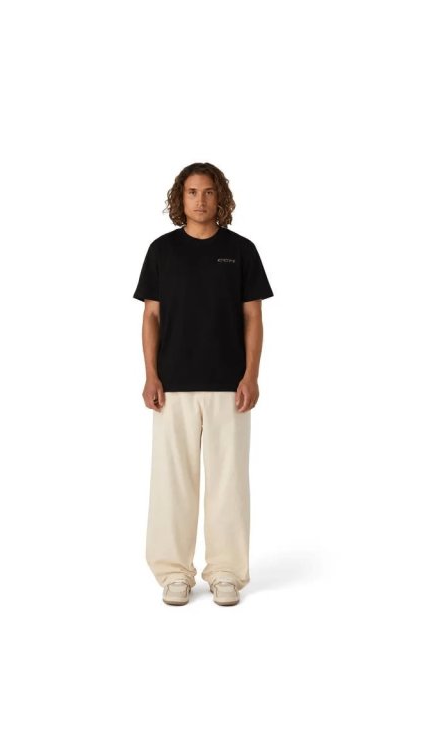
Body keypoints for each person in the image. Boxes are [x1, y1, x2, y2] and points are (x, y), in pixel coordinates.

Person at [133, 162, 274, 607]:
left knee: (228, 482)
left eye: (209, 192)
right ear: (180, 198)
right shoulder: (162, 251)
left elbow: (253, 317)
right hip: (172, 386)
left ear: (220, 197)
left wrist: (251, 375)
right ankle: (174, 573)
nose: (200, 200)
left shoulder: (241, 250)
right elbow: (151, 316)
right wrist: (151, 374)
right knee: (172, 482)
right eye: (192, 192)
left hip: (229, 387)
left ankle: (226, 571)